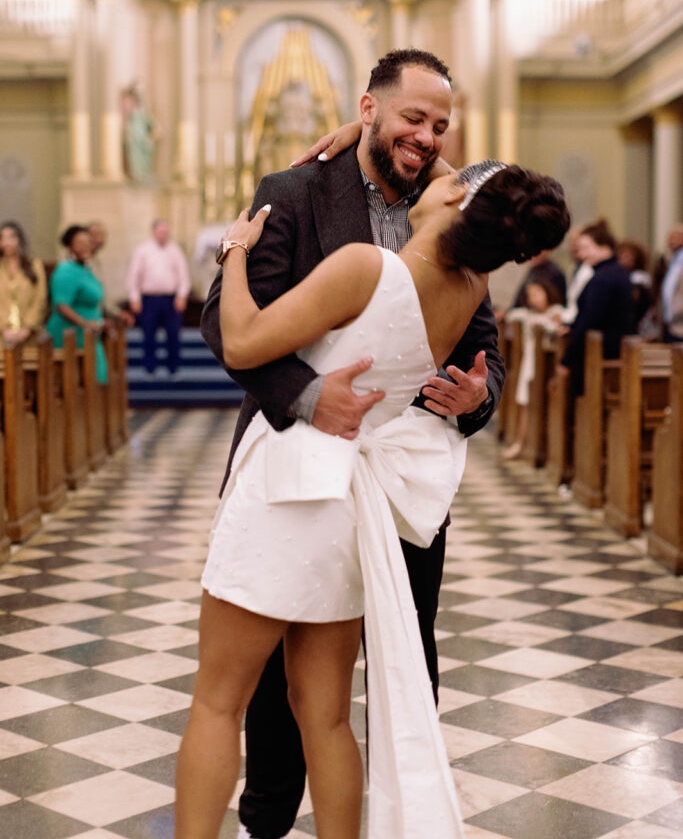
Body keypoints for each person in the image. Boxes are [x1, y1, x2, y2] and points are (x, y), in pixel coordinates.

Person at [177, 160, 570, 839]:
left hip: (289, 485)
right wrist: (353, 136)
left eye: (449, 177)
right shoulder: (468, 289)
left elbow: (241, 340)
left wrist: (233, 252)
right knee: (324, 713)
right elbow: (479, 191)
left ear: (454, 200)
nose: (435, 171)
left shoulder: (368, 266)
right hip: (352, 504)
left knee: (218, 702)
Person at [200, 50, 506, 839]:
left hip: (404, 480)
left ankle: (408, 815)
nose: (428, 137)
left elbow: (485, 348)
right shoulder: (296, 191)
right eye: (412, 117)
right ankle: (267, 818)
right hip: (306, 459)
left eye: (440, 125)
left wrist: (480, 394)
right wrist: (307, 396)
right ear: (367, 109)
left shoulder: (460, 211)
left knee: (406, 654)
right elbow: (222, 322)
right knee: (278, 684)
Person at [559, 218, 632, 396]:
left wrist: (566, 360)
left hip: (600, 355)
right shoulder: (612, 272)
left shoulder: (604, 278)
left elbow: (589, 319)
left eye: (586, 248)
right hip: (603, 349)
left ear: (604, 246)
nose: (582, 255)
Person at [503, 279, 565, 459]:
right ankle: (521, 442)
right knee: (525, 403)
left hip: (549, 363)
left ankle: (543, 448)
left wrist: (545, 322)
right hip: (530, 361)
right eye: (530, 295)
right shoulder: (526, 314)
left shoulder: (556, 311)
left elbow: (557, 327)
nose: (533, 299)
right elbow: (511, 316)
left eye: (537, 293)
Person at [127, 219, 190, 376]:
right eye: (160, 232)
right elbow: (134, 276)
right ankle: (149, 368)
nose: (163, 235)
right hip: (149, 299)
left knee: (173, 334)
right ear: (154, 232)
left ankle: (173, 368)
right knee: (148, 334)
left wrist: (182, 296)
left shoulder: (175, 250)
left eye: (166, 232)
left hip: (170, 299)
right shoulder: (143, 250)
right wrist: (134, 297)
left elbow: (183, 276)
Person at [46, 225, 107, 382]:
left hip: (88, 334)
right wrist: (85, 323)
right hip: (71, 335)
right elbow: (61, 305)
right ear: (70, 246)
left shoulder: (85, 269)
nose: (85, 246)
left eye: (88, 242)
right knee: (79, 382)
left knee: (97, 376)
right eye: (80, 243)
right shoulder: (65, 271)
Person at [0, 221, 47, 343]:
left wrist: (28, 327)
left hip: (28, 333)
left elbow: (40, 298)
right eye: (2, 238)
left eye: (11, 237)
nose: (6, 242)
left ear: (20, 239)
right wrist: (3, 328)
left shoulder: (34, 265)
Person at [616, 239, 653, 335]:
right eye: (623, 255)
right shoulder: (617, 276)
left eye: (629, 256)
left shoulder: (640, 278)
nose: (626, 259)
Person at [661, 223, 683, 342]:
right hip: (671, 325)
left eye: (677, 236)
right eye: (670, 237)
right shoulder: (671, 260)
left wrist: (676, 312)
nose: (672, 241)